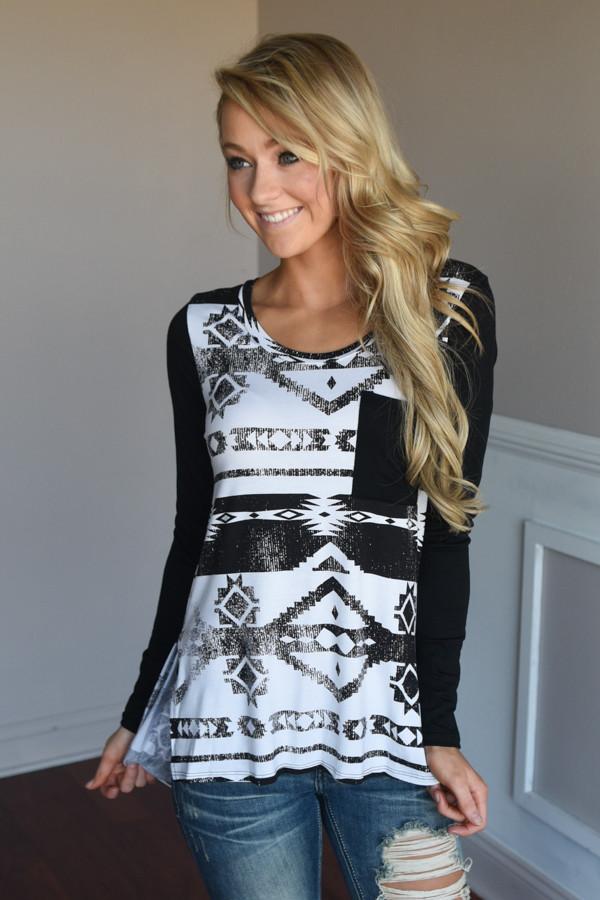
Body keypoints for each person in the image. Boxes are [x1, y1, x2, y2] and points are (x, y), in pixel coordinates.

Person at [85, 32, 497, 899]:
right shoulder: (203, 330)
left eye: (287, 155)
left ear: (350, 148)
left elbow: (445, 532)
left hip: (386, 734)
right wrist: (141, 709)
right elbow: (199, 535)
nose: (259, 191)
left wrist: (440, 729)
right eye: (238, 160)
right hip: (227, 732)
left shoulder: (445, 305)